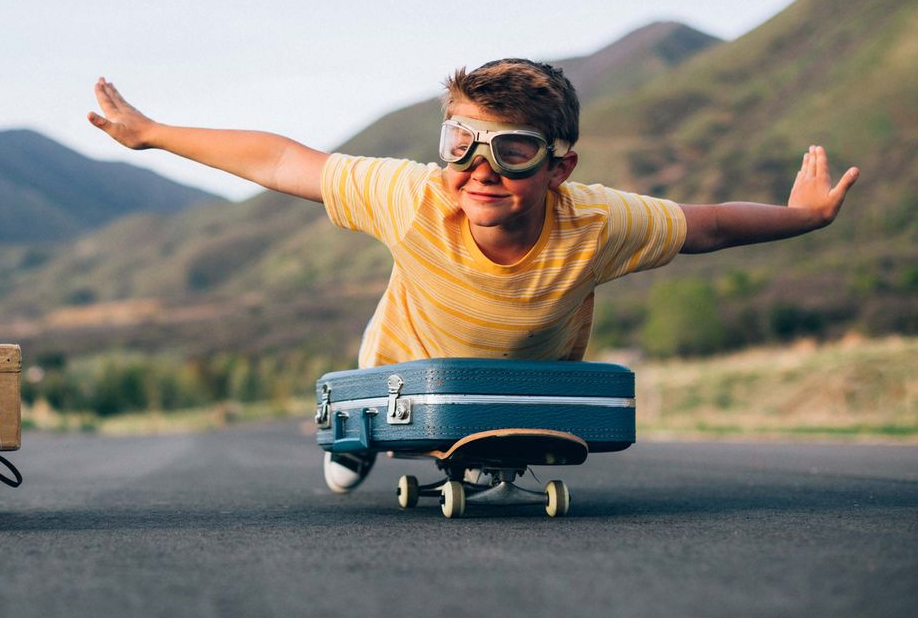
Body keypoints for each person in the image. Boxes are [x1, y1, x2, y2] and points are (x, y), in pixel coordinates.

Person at [87, 59, 859, 493]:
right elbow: (287, 160)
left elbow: (711, 224)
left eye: (511, 151)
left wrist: (804, 217)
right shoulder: (409, 195)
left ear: (561, 166)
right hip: (403, 361)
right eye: (461, 141)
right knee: (377, 394)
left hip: (528, 385)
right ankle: (359, 436)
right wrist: (152, 134)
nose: (478, 170)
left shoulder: (599, 222)